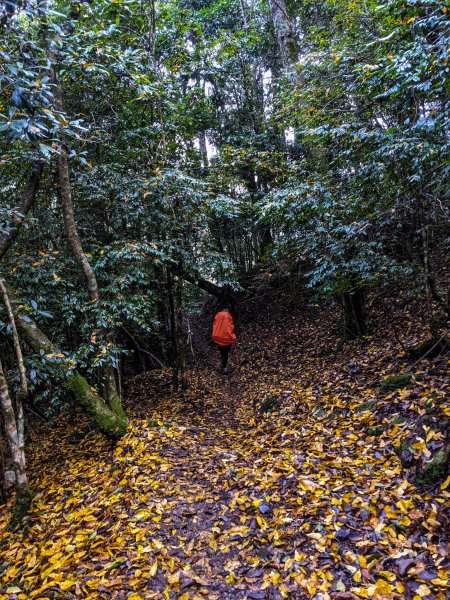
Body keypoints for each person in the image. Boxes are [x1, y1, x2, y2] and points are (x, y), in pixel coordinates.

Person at [212, 308, 237, 374]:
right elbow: (231, 327)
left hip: (219, 338)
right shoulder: (228, 316)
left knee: (222, 353)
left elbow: (215, 325)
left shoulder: (218, 316)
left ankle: (224, 366)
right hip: (227, 338)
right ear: (227, 311)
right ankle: (224, 367)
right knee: (225, 353)